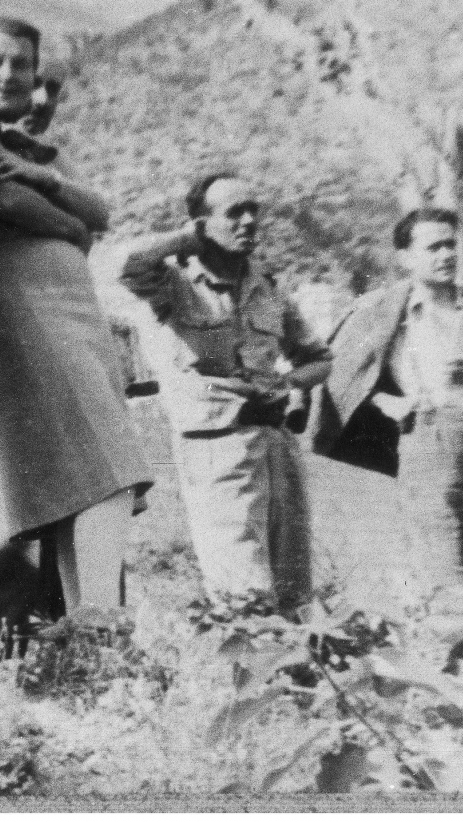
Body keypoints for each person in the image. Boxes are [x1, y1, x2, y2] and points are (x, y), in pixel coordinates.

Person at [0, 16, 153, 642]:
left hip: (73, 309)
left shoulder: (34, 149)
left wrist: (48, 179)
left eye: (21, 63)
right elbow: (8, 203)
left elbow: (102, 210)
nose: (8, 74)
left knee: (77, 477)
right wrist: (68, 224)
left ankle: (85, 631)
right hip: (22, 309)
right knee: (105, 467)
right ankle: (102, 625)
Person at [117, 174, 330, 609]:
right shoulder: (173, 284)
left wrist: (289, 384)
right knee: (242, 585)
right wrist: (185, 239)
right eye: (234, 213)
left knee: (293, 584)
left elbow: (318, 358)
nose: (249, 221)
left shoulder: (265, 285)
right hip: (217, 446)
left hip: (276, 442)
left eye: (253, 210)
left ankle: (294, 652)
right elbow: (129, 266)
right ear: (201, 224)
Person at [313, 207, 463, 600]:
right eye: (433, 247)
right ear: (405, 257)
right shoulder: (382, 310)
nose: (446, 255)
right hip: (430, 434)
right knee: (446, 552)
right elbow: (337, 376)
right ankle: (459, 631)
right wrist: (389, 403)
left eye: (451, 245)